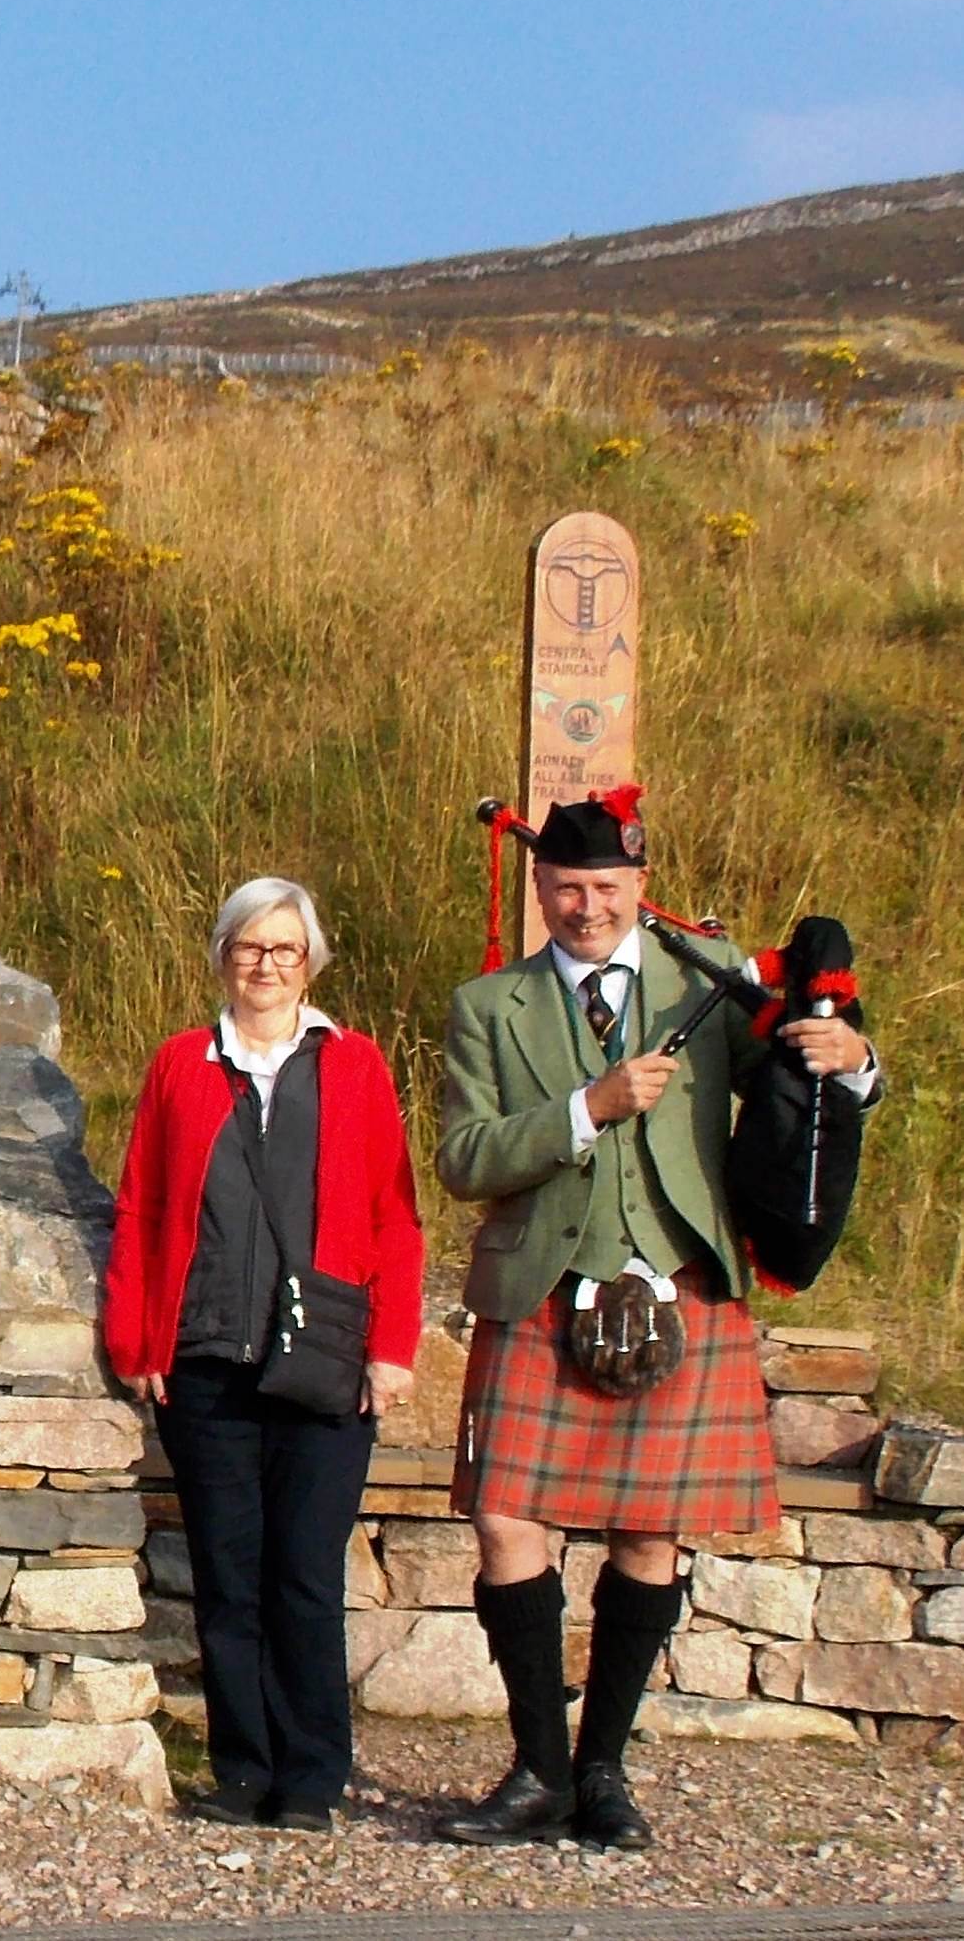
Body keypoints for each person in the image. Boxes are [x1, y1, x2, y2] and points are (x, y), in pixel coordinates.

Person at [432, 792, 879, 1852]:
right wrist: (585, 1108)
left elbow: (797, 1073)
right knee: (504, 1521)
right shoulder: (488, 1004)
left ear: (638, 886)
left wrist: (850, 1059)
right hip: (542, 1284)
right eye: (565, 888)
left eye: (605, 888)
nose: (585, 907)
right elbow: (462, 1158)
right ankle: (537, 1769)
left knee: (648, 1531)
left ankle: (603, 1770)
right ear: (538, 887)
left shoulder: (704, 977)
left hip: (681, 1283)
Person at [98, 877, 424, 1835]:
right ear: (222, 957)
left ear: (309, 962)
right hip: (205, 1355)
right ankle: (242, 1769)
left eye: (284, 948)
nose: (266, 965)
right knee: (227, 1576)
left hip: (325, 1355)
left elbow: (394, 1214)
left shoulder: (354, 1064)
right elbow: (141, 1205)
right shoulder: (180, 1063)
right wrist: (135, 1336)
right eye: (249, 946)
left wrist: (392, 1346)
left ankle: (311, 1776)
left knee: (305, 1577)